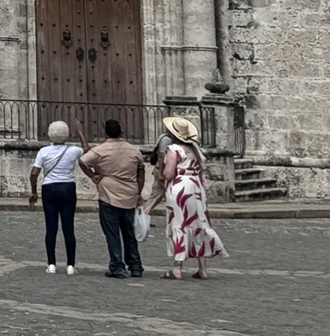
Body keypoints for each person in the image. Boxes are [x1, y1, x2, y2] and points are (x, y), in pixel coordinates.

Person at [158, 115, 225, 279]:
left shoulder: (173, 150)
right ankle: (202, 268)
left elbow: (168, 174)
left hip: (180, 186)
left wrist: (161, 170)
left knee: (179, 223)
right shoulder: (195, 149)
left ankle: (177, 268)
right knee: (199, 222)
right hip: (196, 187)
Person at [80, 118, 148, 279]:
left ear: (104, 133)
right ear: (121, 132)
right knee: (129, 233)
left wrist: (93, 176)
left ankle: (117, 266)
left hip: (108, 194)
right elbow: (141, 171)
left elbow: (82, 161)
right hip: (129, 194)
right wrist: (139, 192)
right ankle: (135, 266)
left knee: (112, 233)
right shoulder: (134, 150)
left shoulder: (100, 150)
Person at [28, 119, 84, 274]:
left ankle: (51, 264)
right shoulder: (73, 151)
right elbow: (87, 150)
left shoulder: (43, 152)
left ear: (50, 135)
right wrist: (79, 132)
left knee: (51, 228)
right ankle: (70, 265)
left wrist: (34, 192)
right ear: (66, 135)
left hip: (49, 188)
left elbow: (34, 173)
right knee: (68, 228)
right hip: (67, 187)